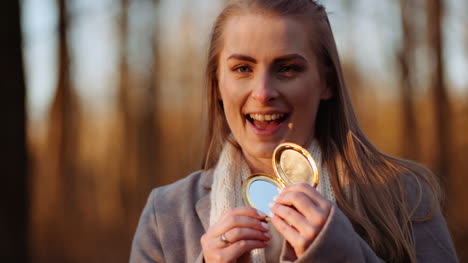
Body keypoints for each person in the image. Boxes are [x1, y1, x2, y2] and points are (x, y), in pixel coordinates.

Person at [130, 0, 459, 262]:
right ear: (217, 83)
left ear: (327, 82)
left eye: (287, 68)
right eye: (242, 68)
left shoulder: (402, 194)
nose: (262, 92)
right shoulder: (167, 213)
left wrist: (342, 256)